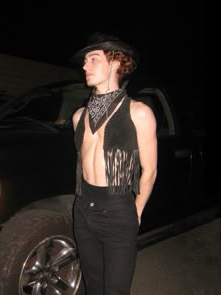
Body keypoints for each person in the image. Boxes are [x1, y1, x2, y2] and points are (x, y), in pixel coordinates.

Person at [72, 32, 157, 295]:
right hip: (83, 209)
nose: (85, 66)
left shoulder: (139, 113)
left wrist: (137, 210)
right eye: (85, 60)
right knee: (93, 286)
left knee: (115, 290)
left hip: (118, 209)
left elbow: (150, 169)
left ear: (115, 63)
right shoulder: (79, 116)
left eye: (93, 59)